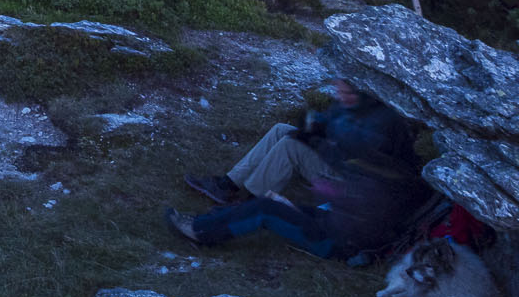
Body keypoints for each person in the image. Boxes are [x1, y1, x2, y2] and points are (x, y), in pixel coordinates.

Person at [164, 78, 428, 260]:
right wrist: (312, 125)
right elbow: (329, 126)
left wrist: (316, 140)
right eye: (339, 90)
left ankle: (242, 206)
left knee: (288, 150)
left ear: (366, 93)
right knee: (283, 131)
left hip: (344, 184)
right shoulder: (350, 108)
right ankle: (228, 185)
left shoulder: (381, 126)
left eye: (348, 92)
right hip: (344, 201)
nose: (342, 96)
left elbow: (355, 154)